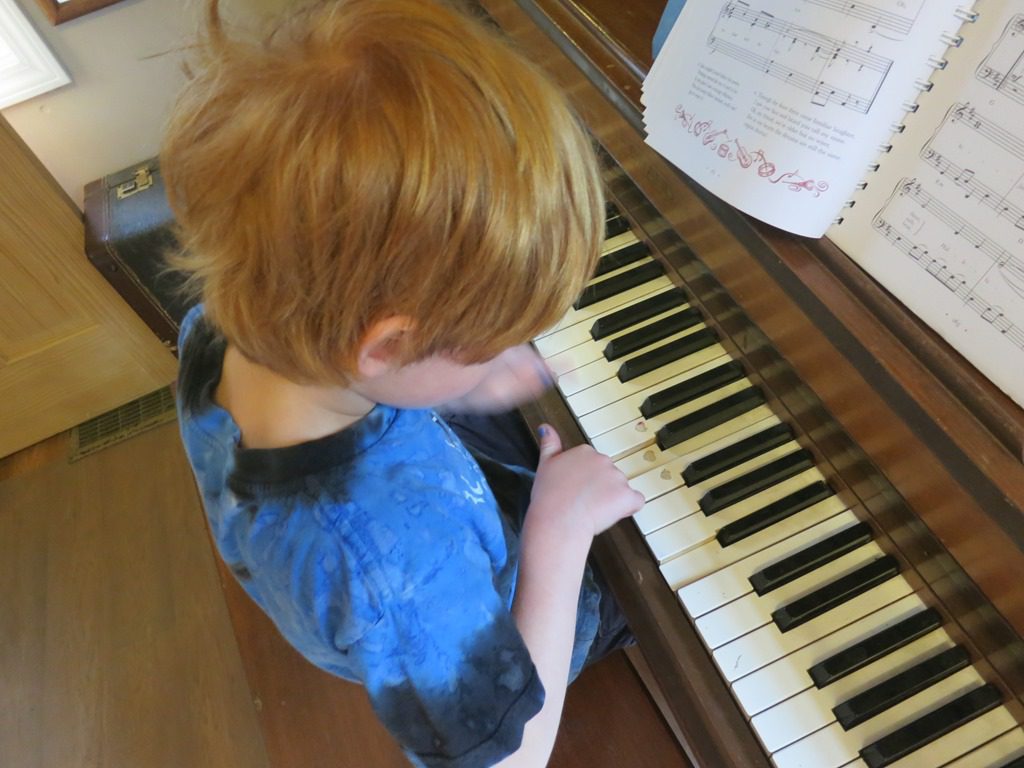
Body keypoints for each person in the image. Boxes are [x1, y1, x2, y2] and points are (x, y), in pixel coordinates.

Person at [163, 0, 645, 765]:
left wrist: (460, 374)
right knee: (663, 571)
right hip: (442, 617)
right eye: (488, 343)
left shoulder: (223, 320)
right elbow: (509, 760)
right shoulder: (389, 565)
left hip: (371, 544)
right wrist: (559, 533)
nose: (509, 352)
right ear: (386, 347)